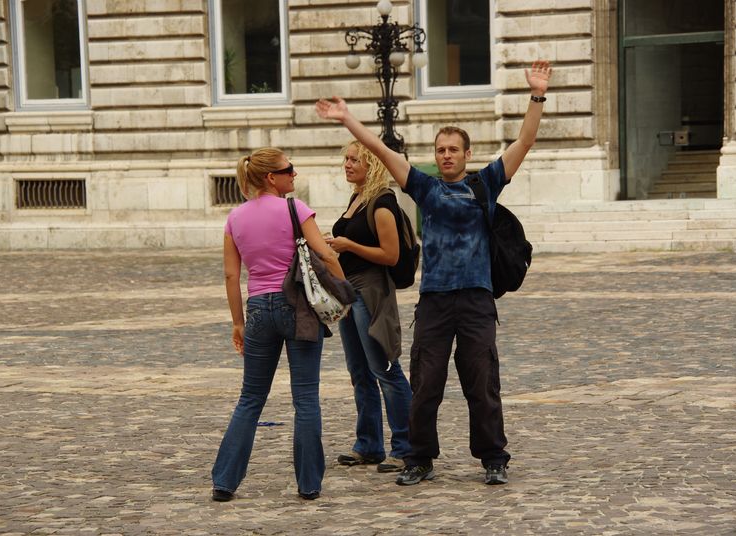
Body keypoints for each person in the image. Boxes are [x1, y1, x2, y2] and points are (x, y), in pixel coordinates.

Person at [315, 60, 552, 486]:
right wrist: (348, 118)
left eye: (453, 150)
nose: (446, 155)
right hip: (435, 301)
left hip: (476, 298)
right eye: (441, 150)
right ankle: (419, 458)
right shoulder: (425, 187)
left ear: (467, 154)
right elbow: (381, 151)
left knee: (482, 381)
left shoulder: (486, 183)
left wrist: (536, 94)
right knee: (426, 383)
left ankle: (493, 458)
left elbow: (525, 140)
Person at [210, 147, 345, 502]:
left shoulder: (235, 218)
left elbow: (231, 275)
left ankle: (224, 481)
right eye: (289, 169)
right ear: (271, 177)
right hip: (297, 306)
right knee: (306, 398)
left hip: (258, 308)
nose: (294, 174)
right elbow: (325, 253)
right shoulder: (295, 209)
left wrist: (237, 323)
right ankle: (309, 484)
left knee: (251, 398)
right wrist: (343, 293)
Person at [326, 140, 413, 473]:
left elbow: (390, 255)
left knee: (384, 368)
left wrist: (349, 245)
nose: (347, 164)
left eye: (355, 160)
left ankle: (406, 446)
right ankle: (368, 444)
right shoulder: (358, 197)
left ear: (373, 164)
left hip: (371, 290)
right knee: (359, 372)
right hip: (348, 291)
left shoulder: (382, 203)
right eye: (346, 159)